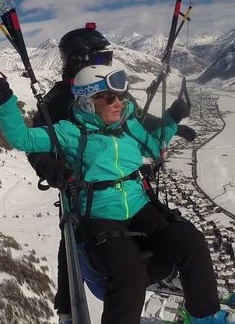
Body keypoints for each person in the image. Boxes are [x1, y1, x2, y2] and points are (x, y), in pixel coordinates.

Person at [0, 64, 235, 324]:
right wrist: (5, 105)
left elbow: (154, 145)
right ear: (86, 103)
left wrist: (171, 119)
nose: (118, 102)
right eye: (108, 98)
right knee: (130, 273)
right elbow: (24, 140)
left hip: (140, 204)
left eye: (119, 96)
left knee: (191, 239)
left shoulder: (128, 123)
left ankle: (204, 315)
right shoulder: (69, 132)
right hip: (100, 212)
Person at [26, 24, 197, 323]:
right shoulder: (54, 102)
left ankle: (149, 266)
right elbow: (35, 145)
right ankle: (68, 307)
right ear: (81, 59)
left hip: (122, 183)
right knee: (73, 239)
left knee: (149, 220)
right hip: (81, 187)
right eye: (102, 57)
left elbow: (136, 119)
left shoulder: (107, 86)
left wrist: (169, 124)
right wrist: (51, 169)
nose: (107, 64)